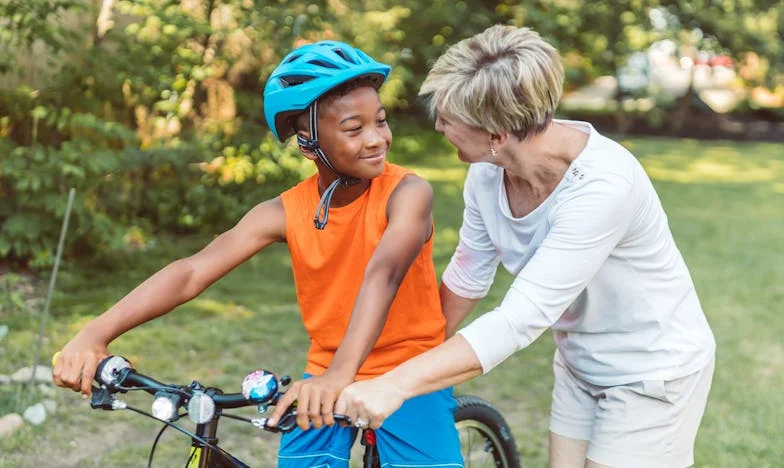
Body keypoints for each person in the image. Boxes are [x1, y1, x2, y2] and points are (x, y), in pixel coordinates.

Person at [52, 40, 462, 468]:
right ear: (308, 143)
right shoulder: (285, 211)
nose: (377, 139)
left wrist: (341, 376)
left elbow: (384, 274)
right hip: (326, 370)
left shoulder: (408, 193)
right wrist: (94, 333)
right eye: (354, 129)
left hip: (407, 369)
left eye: (380, 121)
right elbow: (192, 272)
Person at [335, 24, 716, 468]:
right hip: (579, 364)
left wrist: (396, 385)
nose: (438, 125)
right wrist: (403, 357)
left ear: (497, 135)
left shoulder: (603, 187)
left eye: (449, 119)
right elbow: (469, 273)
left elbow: (519, 319)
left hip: (652, 372)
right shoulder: (487, 172)